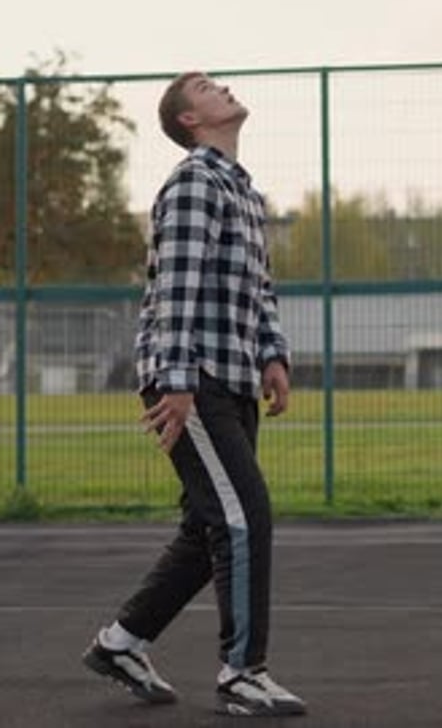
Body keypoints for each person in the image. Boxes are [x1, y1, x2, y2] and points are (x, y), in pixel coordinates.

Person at [82, 71, 306, 717]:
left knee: (209, 525)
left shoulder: (242, 192)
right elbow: (176, 289)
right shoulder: (192, 184)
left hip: (231, 375)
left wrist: (273, 356)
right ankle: (243, 674)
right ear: (189, 120)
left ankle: (121, 642)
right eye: (208, 87)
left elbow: (257, 289)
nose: (224, 88)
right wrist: (177, 382)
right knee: (244, 516)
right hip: (192, 377)